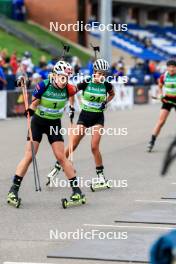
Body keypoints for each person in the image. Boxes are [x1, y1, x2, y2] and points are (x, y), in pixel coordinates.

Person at [7, 60, 84, 207]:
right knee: (30, 156)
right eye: (62, 76)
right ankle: (13, 190)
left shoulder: (68, 88)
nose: (64, 80)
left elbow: (75, 90)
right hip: (38, 122)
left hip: (54, 124)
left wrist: (72, 107)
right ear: (55, 75)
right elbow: (34, 103)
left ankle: (77, 192)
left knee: (61, 157)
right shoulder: (44, 85)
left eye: (67, 77)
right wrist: (30, 110)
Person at [47, 58, 115, 186]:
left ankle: (101, 177)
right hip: (84, 117)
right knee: (73, 144)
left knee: (94, 147)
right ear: (94, 72)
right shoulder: (86, 82)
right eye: (99, 73)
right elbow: (71, 92)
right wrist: (71, 106)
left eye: (104, 74)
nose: (102, 76)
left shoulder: (106, 85)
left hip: (98, 118)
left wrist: (105, 102)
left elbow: (112, 94)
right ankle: (56, 168)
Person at [147, 60, 176, 152]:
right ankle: (151, 141)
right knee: (161, 122)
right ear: (167, 67)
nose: (171, 68)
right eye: (170, 67)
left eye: (174, 67)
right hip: (167, 100)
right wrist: (160, 95)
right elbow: (160, 86)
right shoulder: (164, 76)